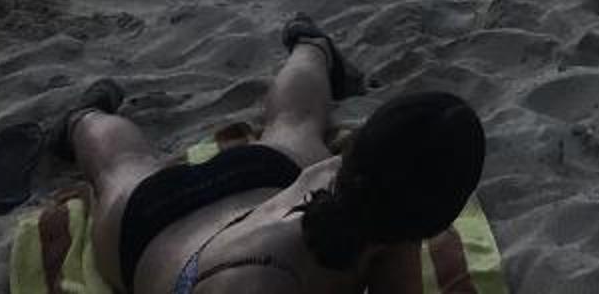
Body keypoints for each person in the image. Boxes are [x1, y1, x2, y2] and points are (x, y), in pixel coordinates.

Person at [59, 23, 483, 294]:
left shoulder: (353, 183)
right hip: (155, 232)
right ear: (438, 221)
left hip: (258, 182)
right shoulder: (256, 283)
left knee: (294, 123)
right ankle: (81, 118)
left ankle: (311, 47)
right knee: (119, 169)